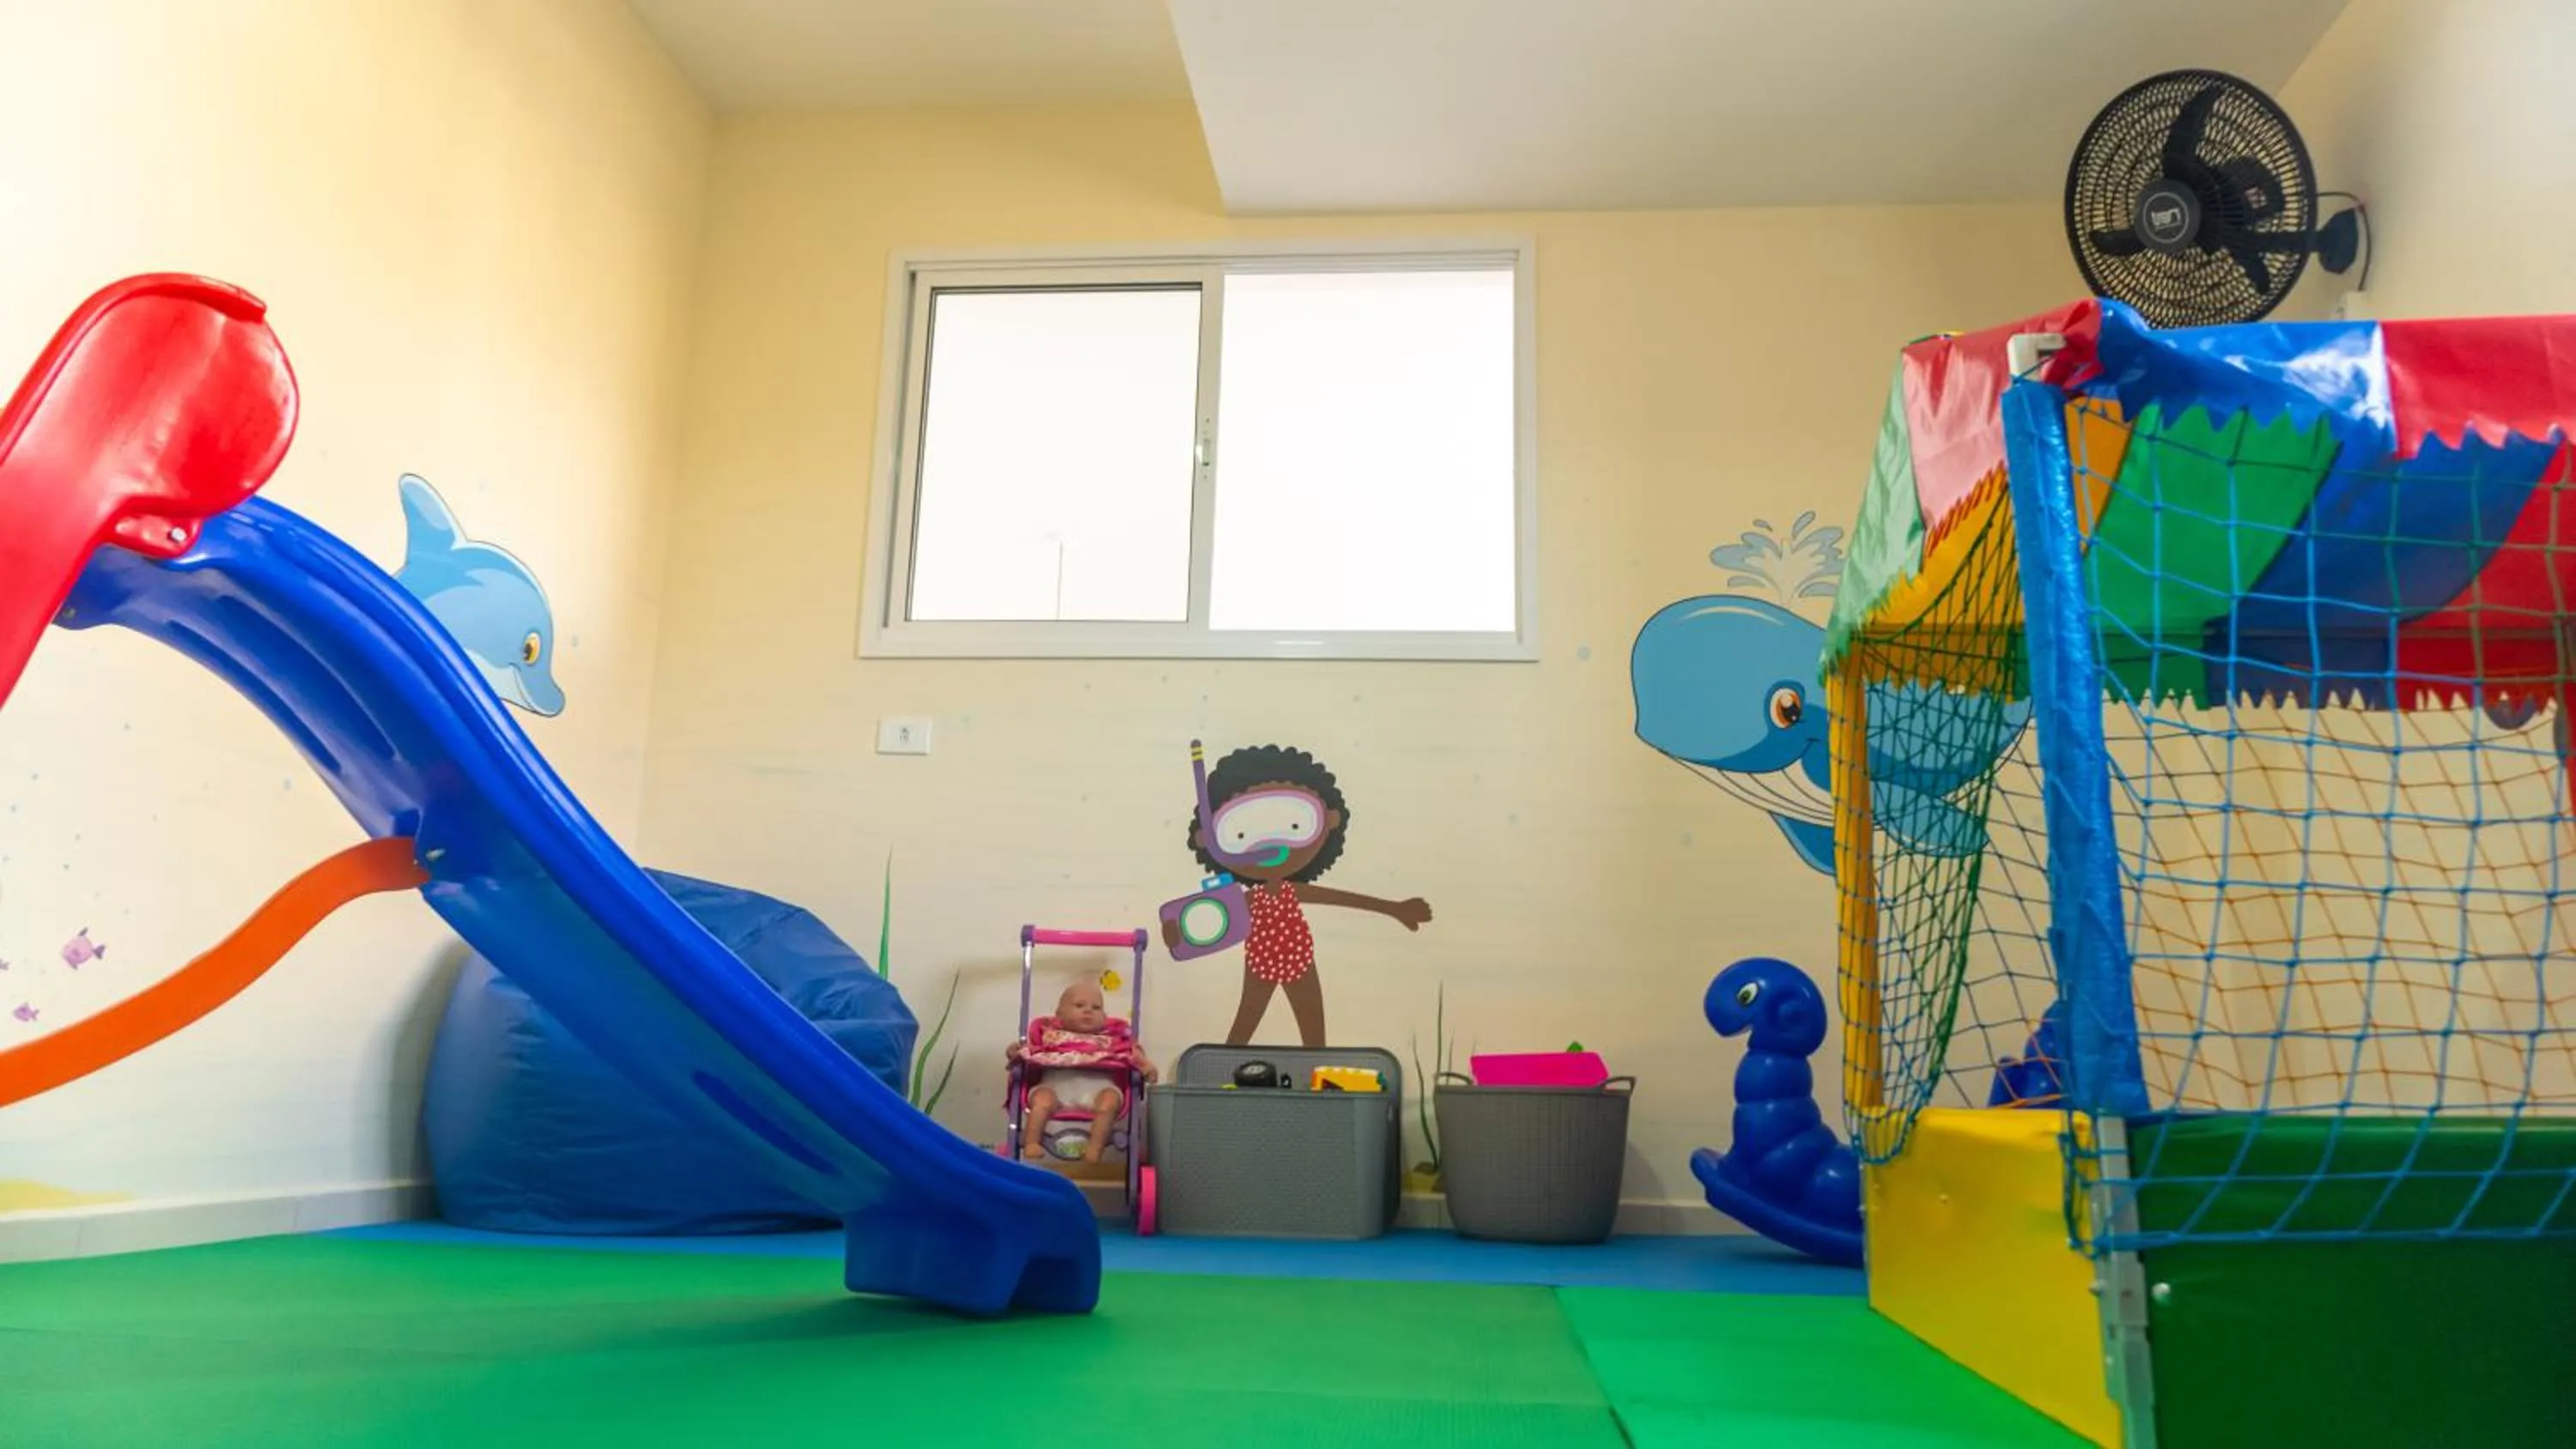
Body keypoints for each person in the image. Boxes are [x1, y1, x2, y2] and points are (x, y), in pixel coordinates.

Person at [1162, 744, 1431, 1048]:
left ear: (1329, 820)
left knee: (1312, 1031)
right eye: (1238, 835)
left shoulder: (1287, 892)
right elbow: (1211, 927)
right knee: (1244, 1026)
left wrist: (1394, 909)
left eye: (1296, 825)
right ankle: (1219, 1079)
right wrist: (1178, 934)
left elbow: (1339, 897)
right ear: (1207, 841)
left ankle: (1319, 1083)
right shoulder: (1244, 901)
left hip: (1298, 960)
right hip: (1261, 961)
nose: (1270, 845)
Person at [1007, 979, 1157, 1163]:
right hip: (1055, 1086)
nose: (1088, 1011)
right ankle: (1031, 1141)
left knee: (1110, 1100)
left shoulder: (1110, 1038)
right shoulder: (1049, 1033)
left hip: (1097, 1088)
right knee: (1041, 1099)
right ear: (1059, 1014)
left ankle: (1095, 1147)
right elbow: (1028, 1050)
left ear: (1104, 1016)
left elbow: (1132, 1053)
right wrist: (1014, 1051)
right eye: (1079, 1005)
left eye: (1096, 1007)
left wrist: (1147, 1066)